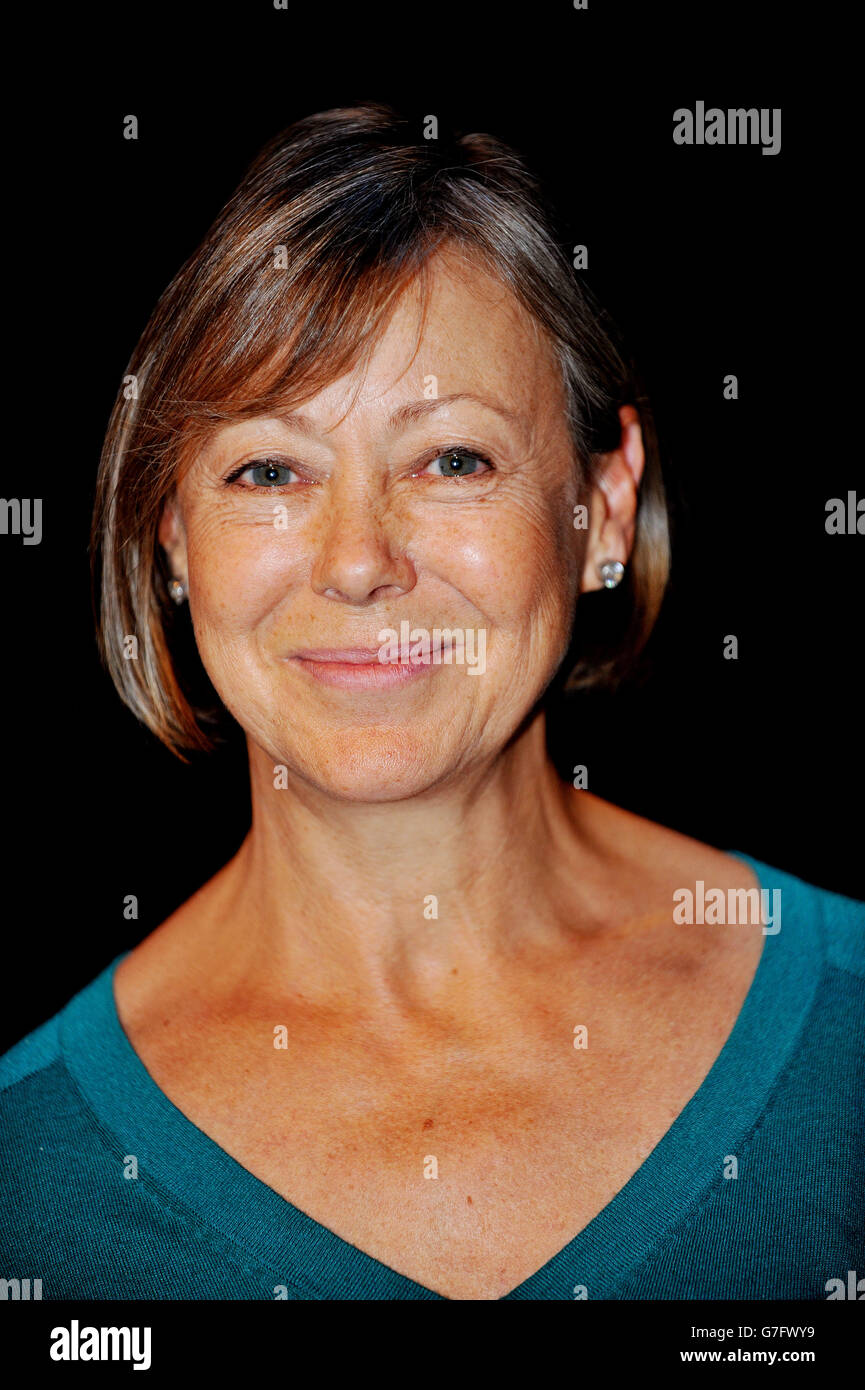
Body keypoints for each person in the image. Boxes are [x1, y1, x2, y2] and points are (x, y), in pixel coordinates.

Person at [1, 104, 862, 1302]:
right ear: (173, 536)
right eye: (268, 469)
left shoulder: (848, 1028)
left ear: (603, 507)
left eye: (453, 459)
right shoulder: (27, 1181)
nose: (358, 559)